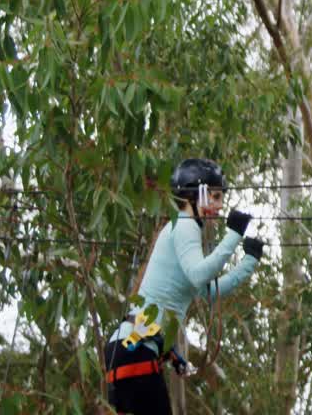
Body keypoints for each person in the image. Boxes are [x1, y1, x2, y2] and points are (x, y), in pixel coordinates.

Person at [103, 158, 263, 415]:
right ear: (195, 194)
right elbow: (200, 275)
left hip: (129, 349)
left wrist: (247, 263)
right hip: (135, 349)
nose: (220, 207)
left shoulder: (183, 228)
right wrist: (233, 235)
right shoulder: (185, 224)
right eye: (215, 197)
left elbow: (208, 292)